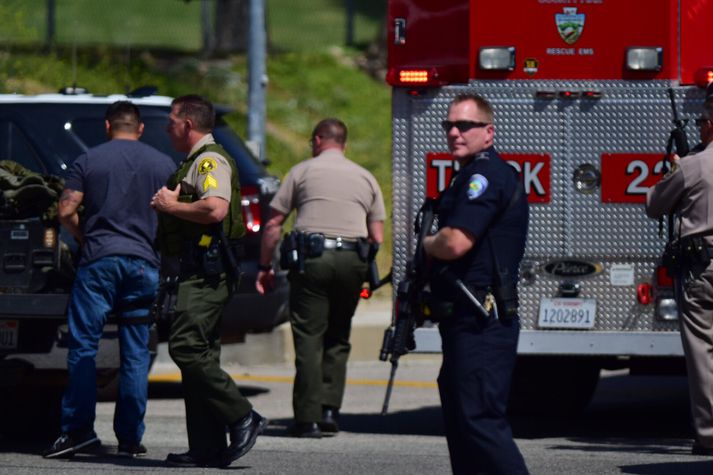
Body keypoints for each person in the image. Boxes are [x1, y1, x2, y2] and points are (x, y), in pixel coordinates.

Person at [43, 101, 176, 459]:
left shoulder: (89, 160)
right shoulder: (163, 164)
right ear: (141, 128)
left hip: (99, 263)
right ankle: (130, 438)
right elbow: (173, 217)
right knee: (135, 353)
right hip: (143, 266)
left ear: (107, 127)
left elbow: (66, 210)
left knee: (84, 346)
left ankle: (78, 432)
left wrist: (84, 237)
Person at [151, 94, 266, 468]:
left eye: (171, 120)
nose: (167, 127)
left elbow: (215, 208)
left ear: (188, 124)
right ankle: (206, 446)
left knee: (184, 348)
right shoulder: (194, 162)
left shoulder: (209, 160)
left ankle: (242, 415)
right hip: (197, 270)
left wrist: (171, 206)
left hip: (207, 274)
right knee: (200, 354)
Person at [256, 118, 386, 438]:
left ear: (317, 140)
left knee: (309, 337)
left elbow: (273, 225)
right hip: (352, 261)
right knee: (339, 335)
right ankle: (329, 410)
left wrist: (265, 266)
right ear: (344, 144)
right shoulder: (365, 177)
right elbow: (377, 235)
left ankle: (307, 418)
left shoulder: (301, 172)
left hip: (313, 261)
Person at [422, 94, 529, 474]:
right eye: (449, 125)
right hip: (465, 319)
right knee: (462, 419)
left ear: (488, 132)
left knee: (481, 422)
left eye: (464, 125)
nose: (453, 132)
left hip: (482, 321)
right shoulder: (467, 174)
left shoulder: (485, 176)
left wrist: (427, 242)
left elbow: (454, 242)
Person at [646, 96, 713, 456]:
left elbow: (653, 204)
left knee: (703, 351)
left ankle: (710, 433)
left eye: (704, 121)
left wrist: (675, 169)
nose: (701, 126)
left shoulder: (694, 165)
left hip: (703, 267)